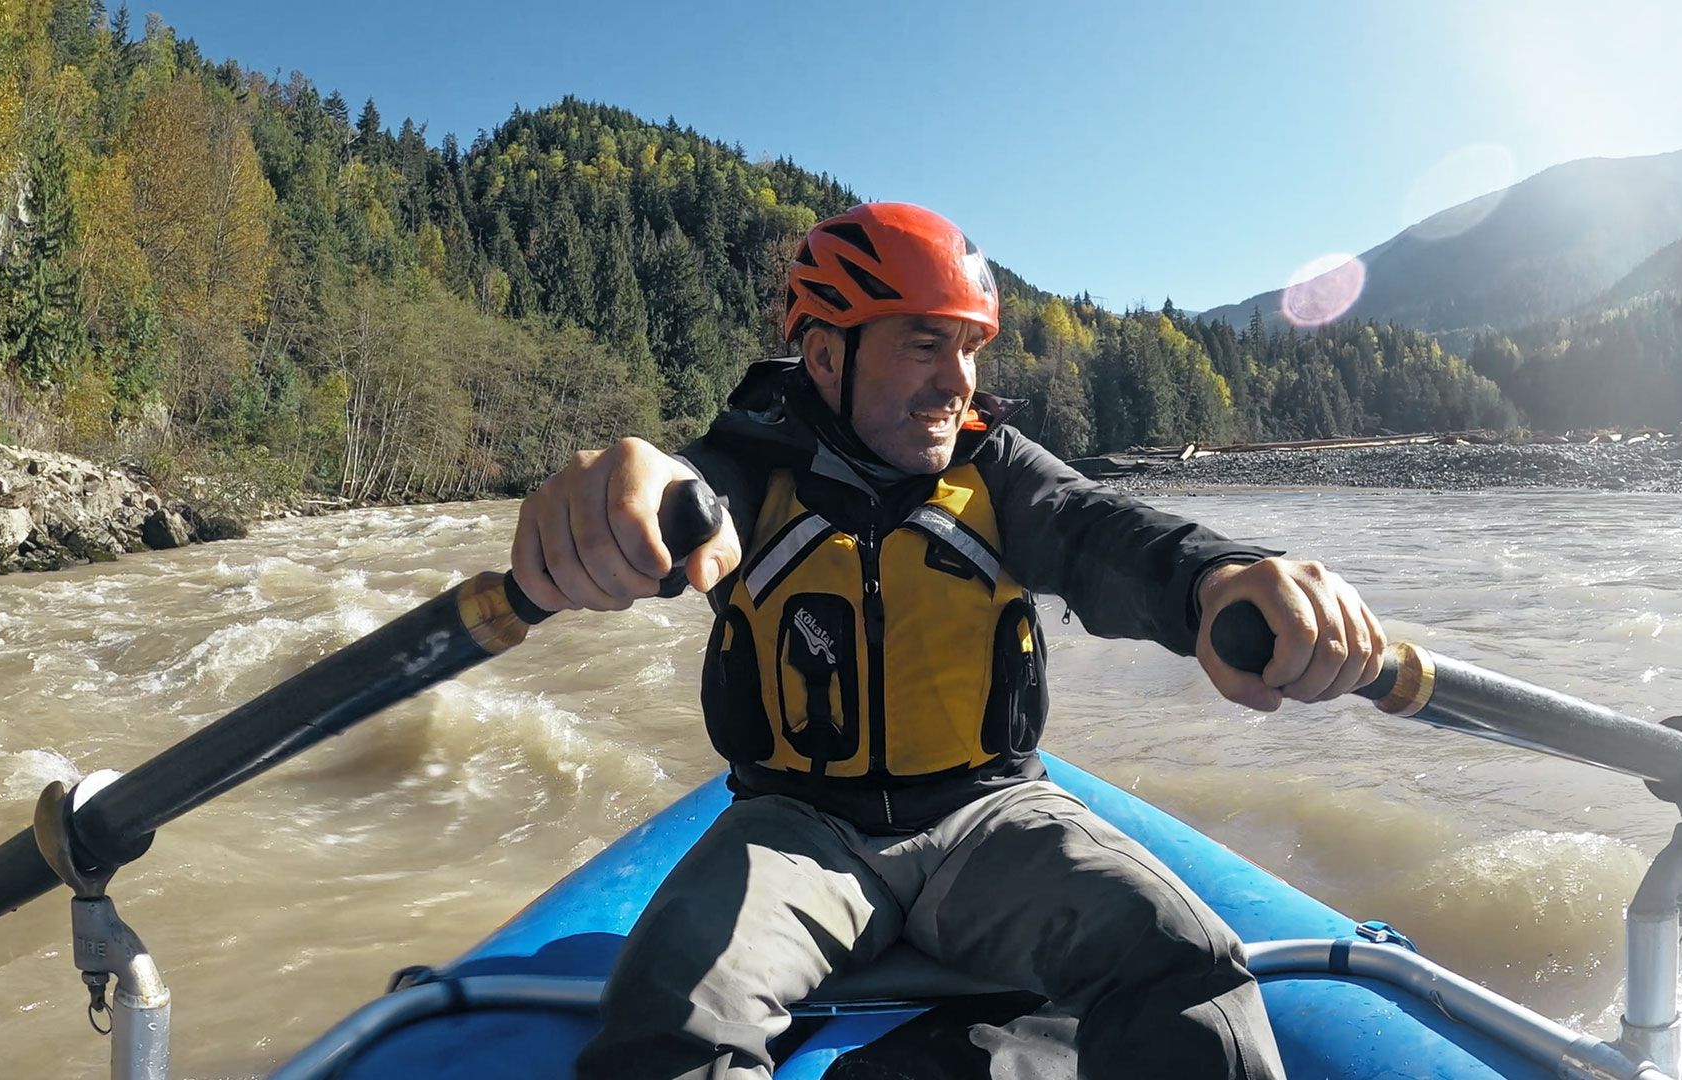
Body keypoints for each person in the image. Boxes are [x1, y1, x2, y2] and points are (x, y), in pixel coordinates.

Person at [511, 202, 1387, 1079]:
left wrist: (1217, 575)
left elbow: (1102, 529)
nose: (956, 381)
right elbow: (684, 499)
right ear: (826, 355)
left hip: (990, 817)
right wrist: (626, 497)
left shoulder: (997, 469)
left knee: (1186, 968)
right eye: (924, 345)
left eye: (969, 349)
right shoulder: (744, 469)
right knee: (671, 1022)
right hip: (796, 830)